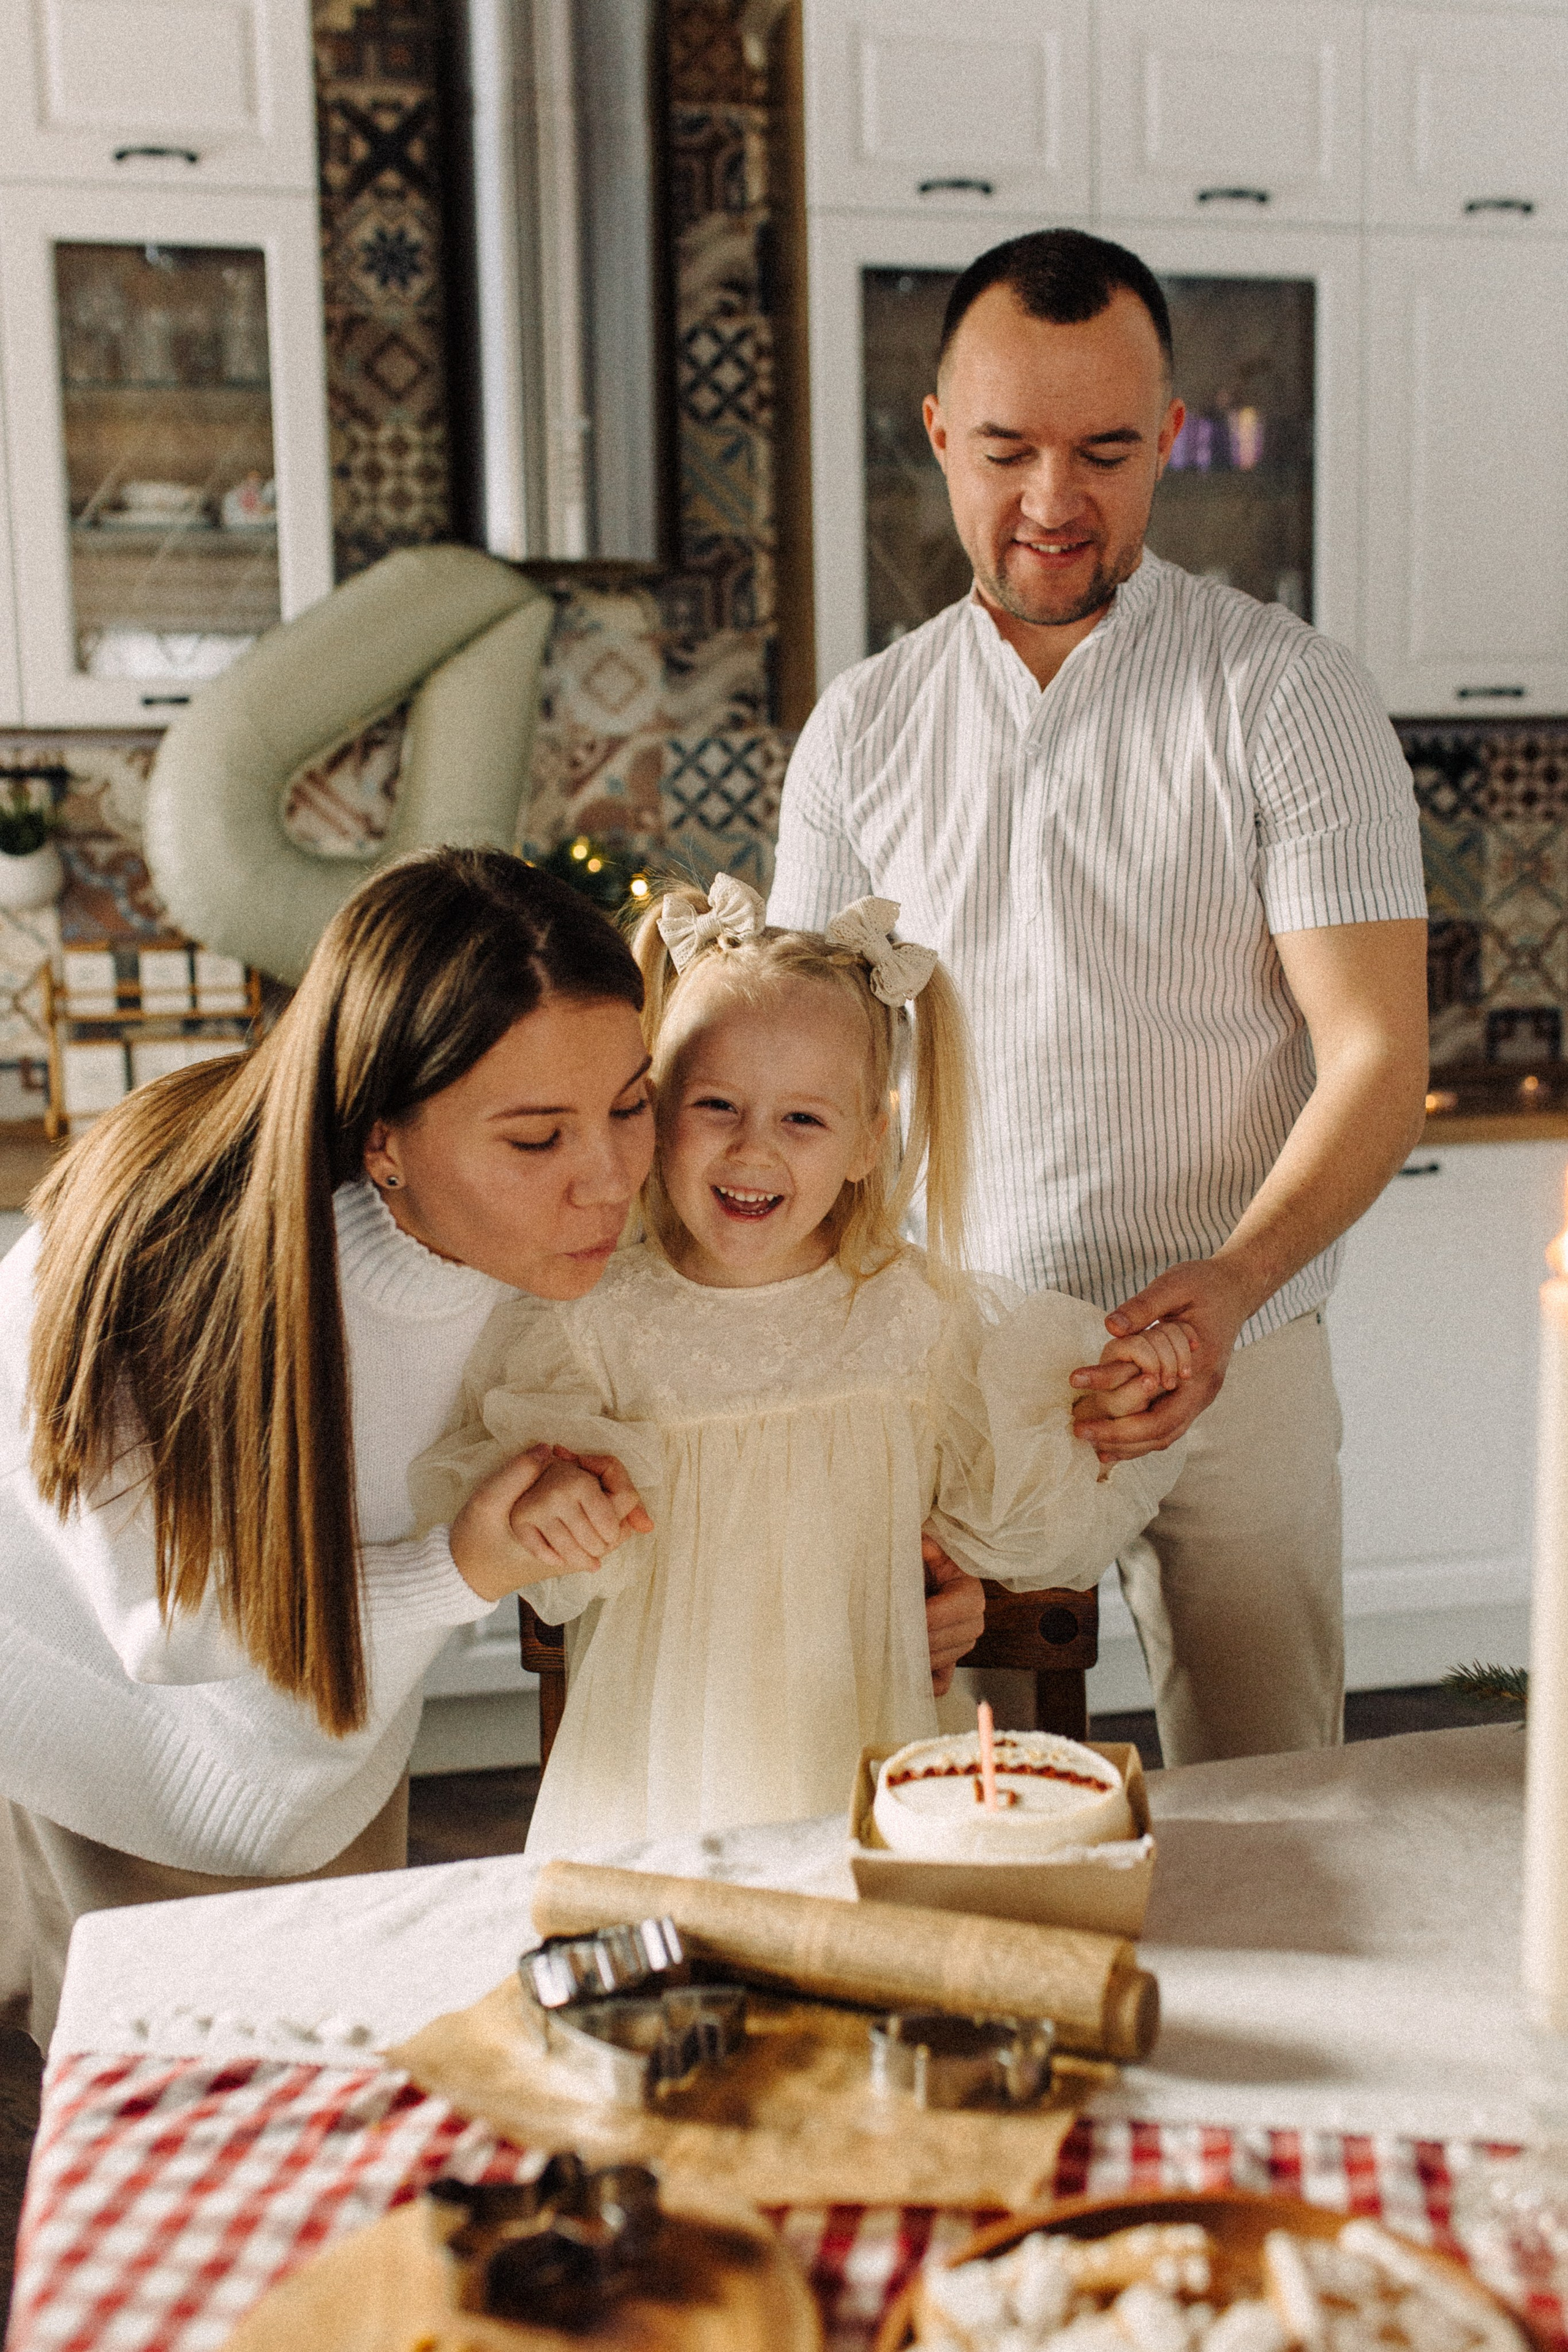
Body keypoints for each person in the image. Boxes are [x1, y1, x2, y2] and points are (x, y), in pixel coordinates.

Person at [769, 228, 1430, 1767]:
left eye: (1104, 452)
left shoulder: (1285, 693)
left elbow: (1376, 1055)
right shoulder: (862, 730)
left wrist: (1230, 1280)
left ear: (1170, 443)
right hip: (958, 1357)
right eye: (1004, 450)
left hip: (1242, 1346)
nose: (1053, 502)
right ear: (935, 430)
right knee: (974, 1795)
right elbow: (802, 1085)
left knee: (1276, 1793)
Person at [0, 847, 666, 2047]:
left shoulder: (530, 1245)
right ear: (381, 1141)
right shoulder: (168, 1256)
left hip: (333, 1719)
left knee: (354, 2051)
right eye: (534, 1139)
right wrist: (455, 1568)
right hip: (111, 1742)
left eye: (630, 1105)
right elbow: (175, 1628)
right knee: (163, 2099)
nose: (610, 1180)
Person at [409, 875, 1189, 1859]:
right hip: (655, 1761)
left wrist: (1111, 1400)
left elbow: (1010, 1509)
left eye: (803, 1121)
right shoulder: (590, 1321)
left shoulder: (919, 1319)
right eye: (717, 1105)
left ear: (870, 1141)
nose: (751, 1149)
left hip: (864, 1743)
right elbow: (533, 1545)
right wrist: (553, 1508)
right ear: (652, 1111)